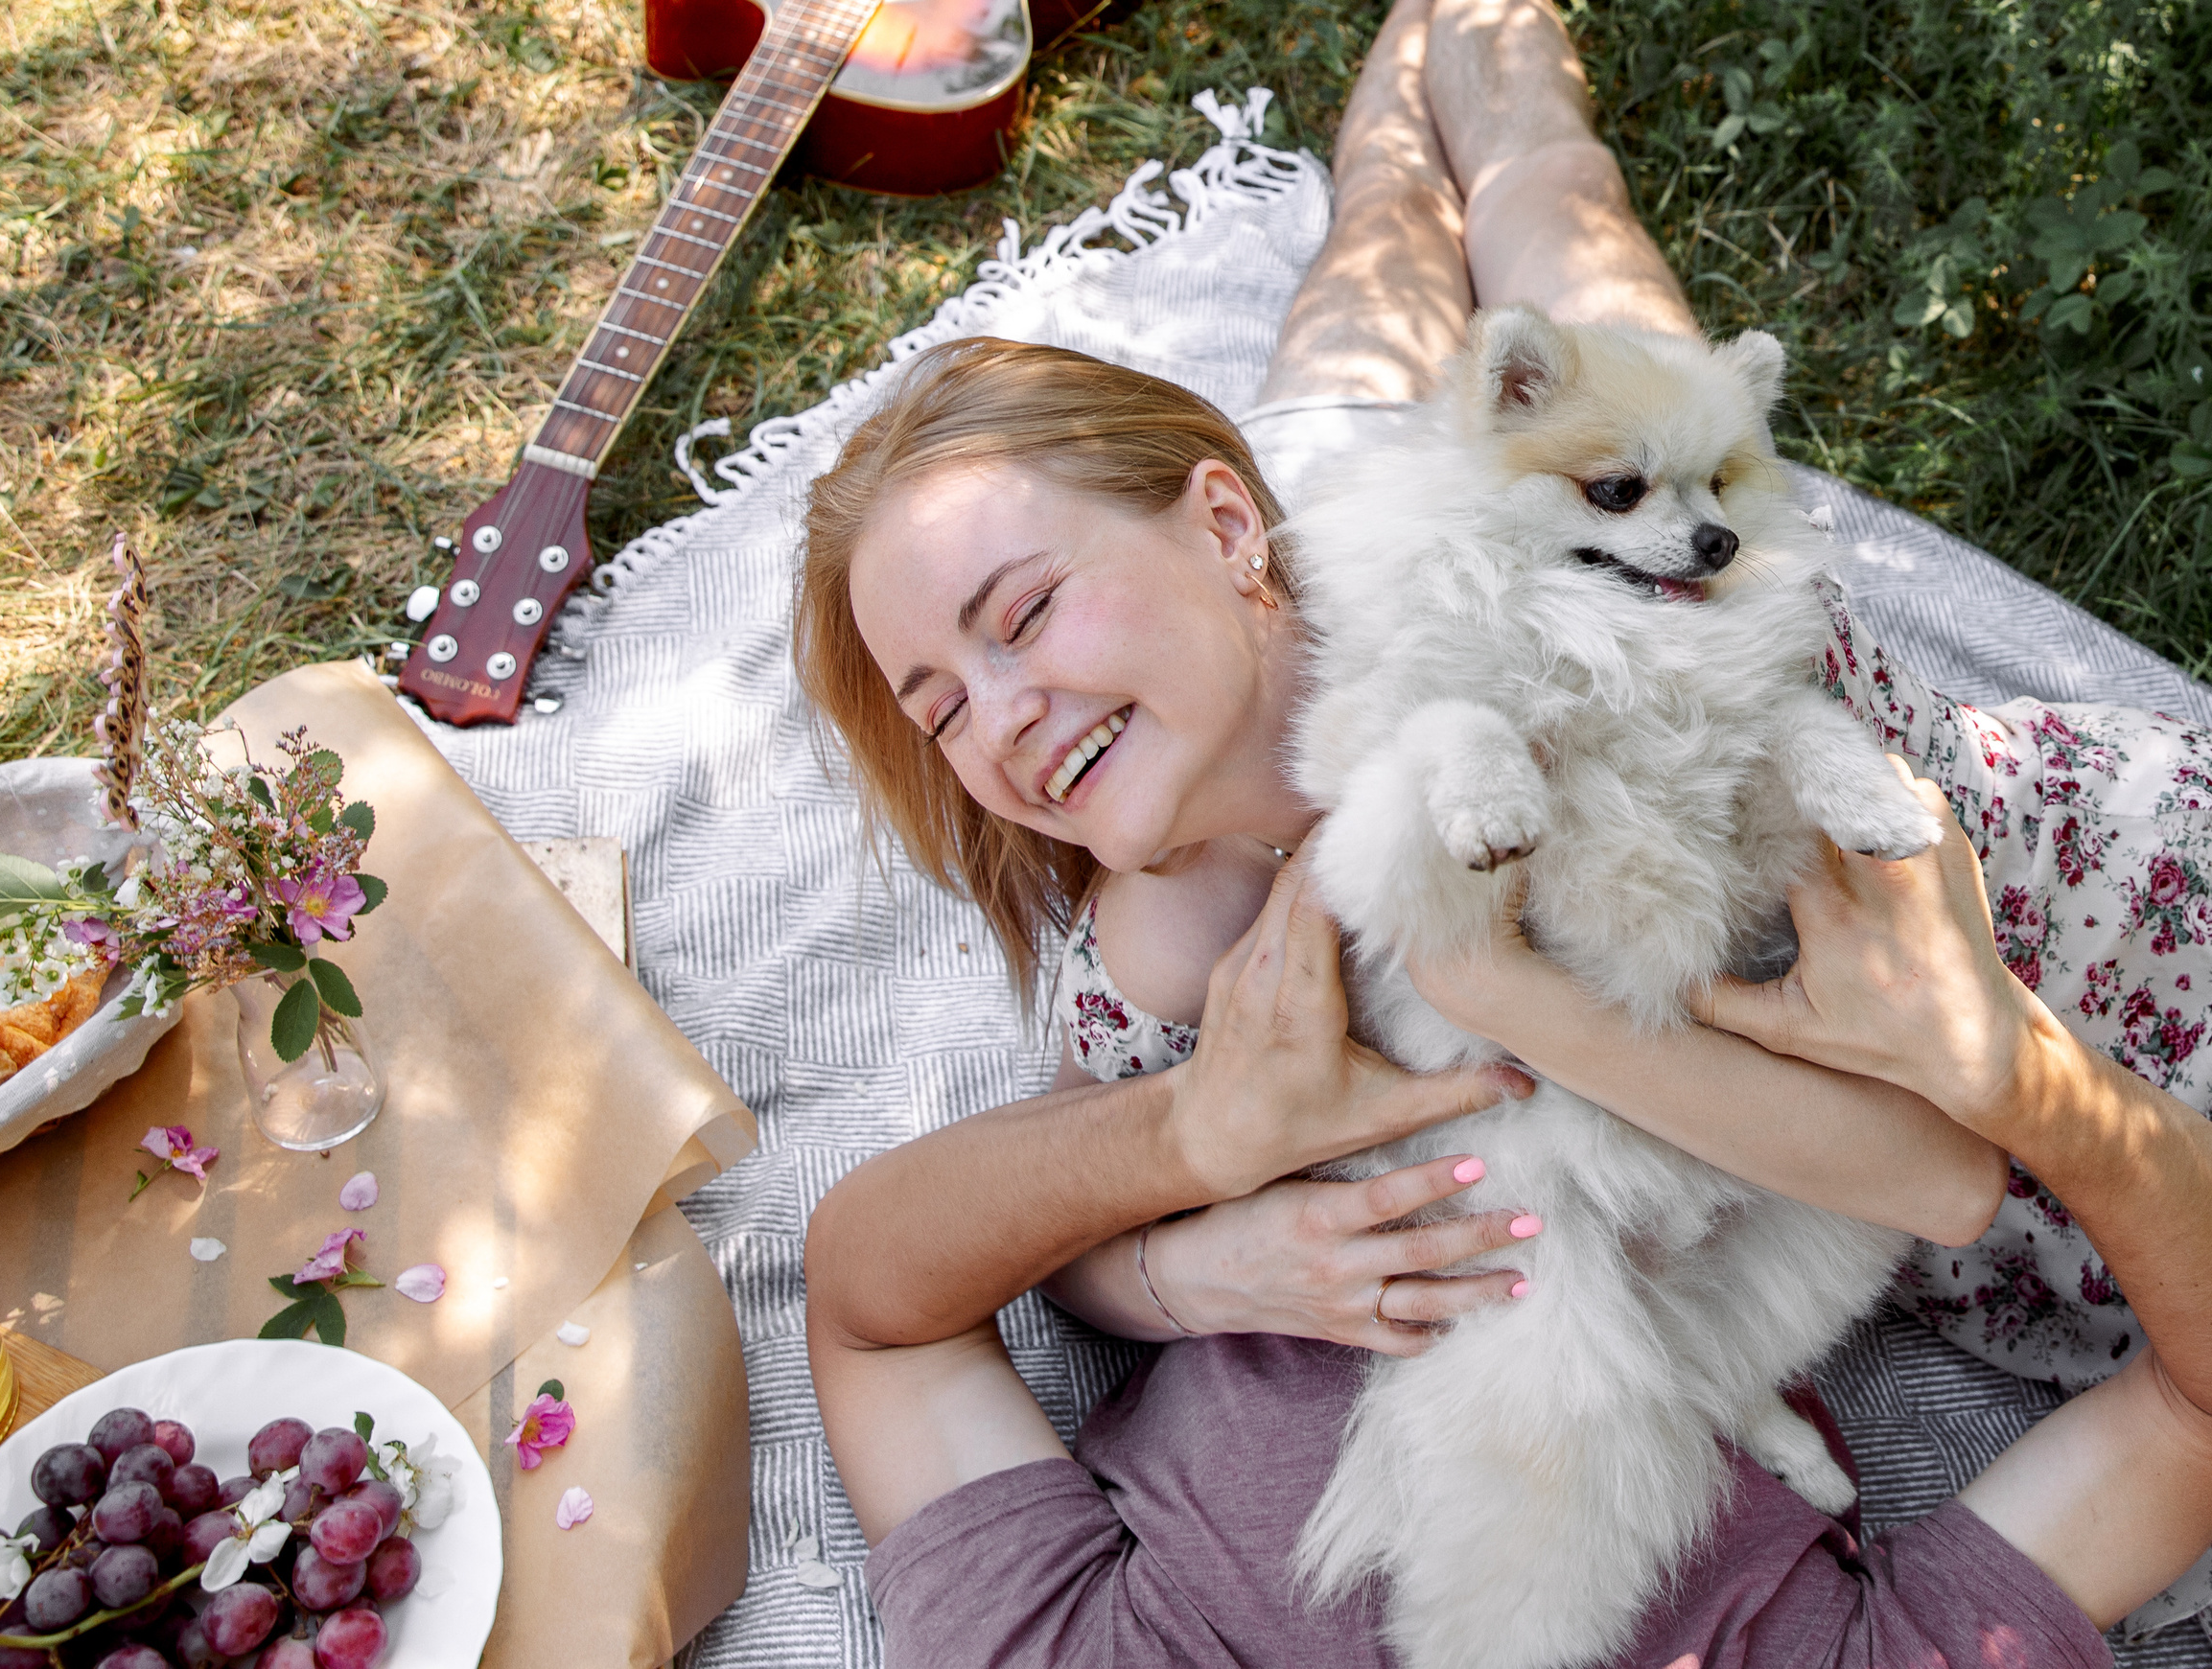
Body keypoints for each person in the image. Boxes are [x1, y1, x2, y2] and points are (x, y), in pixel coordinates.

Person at [790, 0, 2212, 1658]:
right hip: (2022, 1161)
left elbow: (1939, 1134)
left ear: (1231, 530)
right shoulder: (1168, 930)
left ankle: (1497, 68)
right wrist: (1206, 1264)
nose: (1001, 716)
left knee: (1562, 253)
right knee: (1371, 279)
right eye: (940, 709)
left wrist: (1485, 985)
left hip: (2074, 949)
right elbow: (1069, 1227)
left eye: (1024, 613)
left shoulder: (1618, 631)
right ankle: (1396, 138)